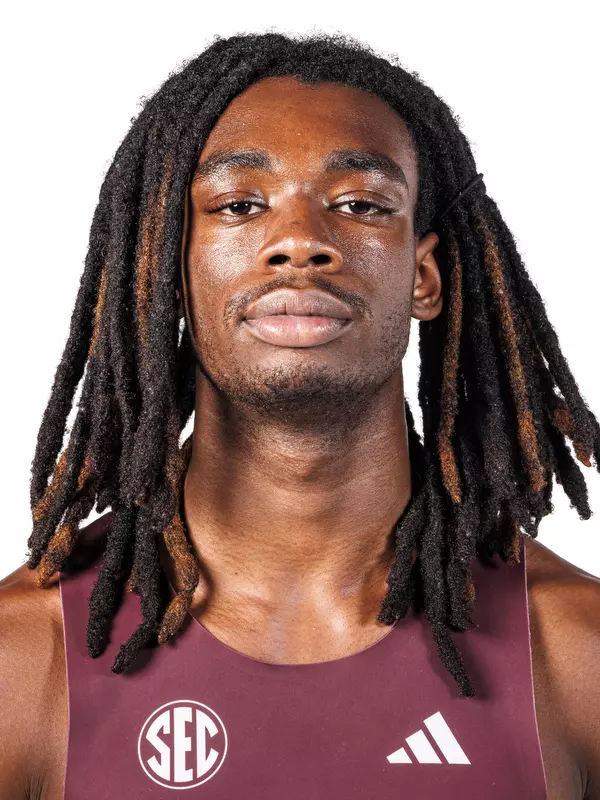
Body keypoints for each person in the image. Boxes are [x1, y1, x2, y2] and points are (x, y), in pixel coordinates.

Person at [1, 30, 599, 799]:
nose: (299, 242)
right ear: (169, 271)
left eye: (359, 204)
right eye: (240, 205)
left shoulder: (575, 653)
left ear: (423, 278)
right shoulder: (26, 658)